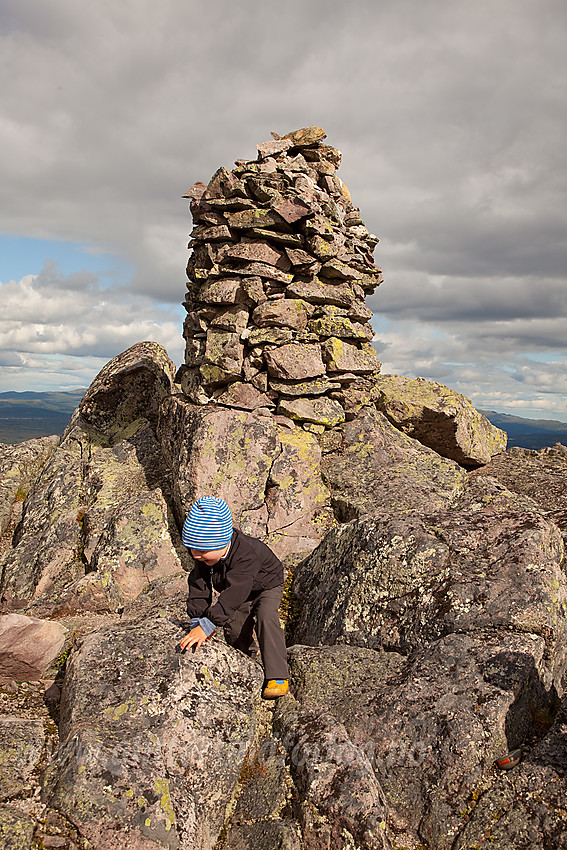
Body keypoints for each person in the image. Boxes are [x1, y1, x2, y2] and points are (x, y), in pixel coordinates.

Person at [178, 496, 289, 699]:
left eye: (202, 551)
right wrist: (198, 619)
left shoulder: (247, 554)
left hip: (266, 585)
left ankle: (278, 675)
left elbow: (235, 594)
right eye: (192, 549)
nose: (196, 555)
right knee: (235, 626)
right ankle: (244, 660)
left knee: (265, 616)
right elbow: (199, 585)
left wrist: (209, 624)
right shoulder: (202, 554)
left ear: (222, 542)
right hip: (238, 587)